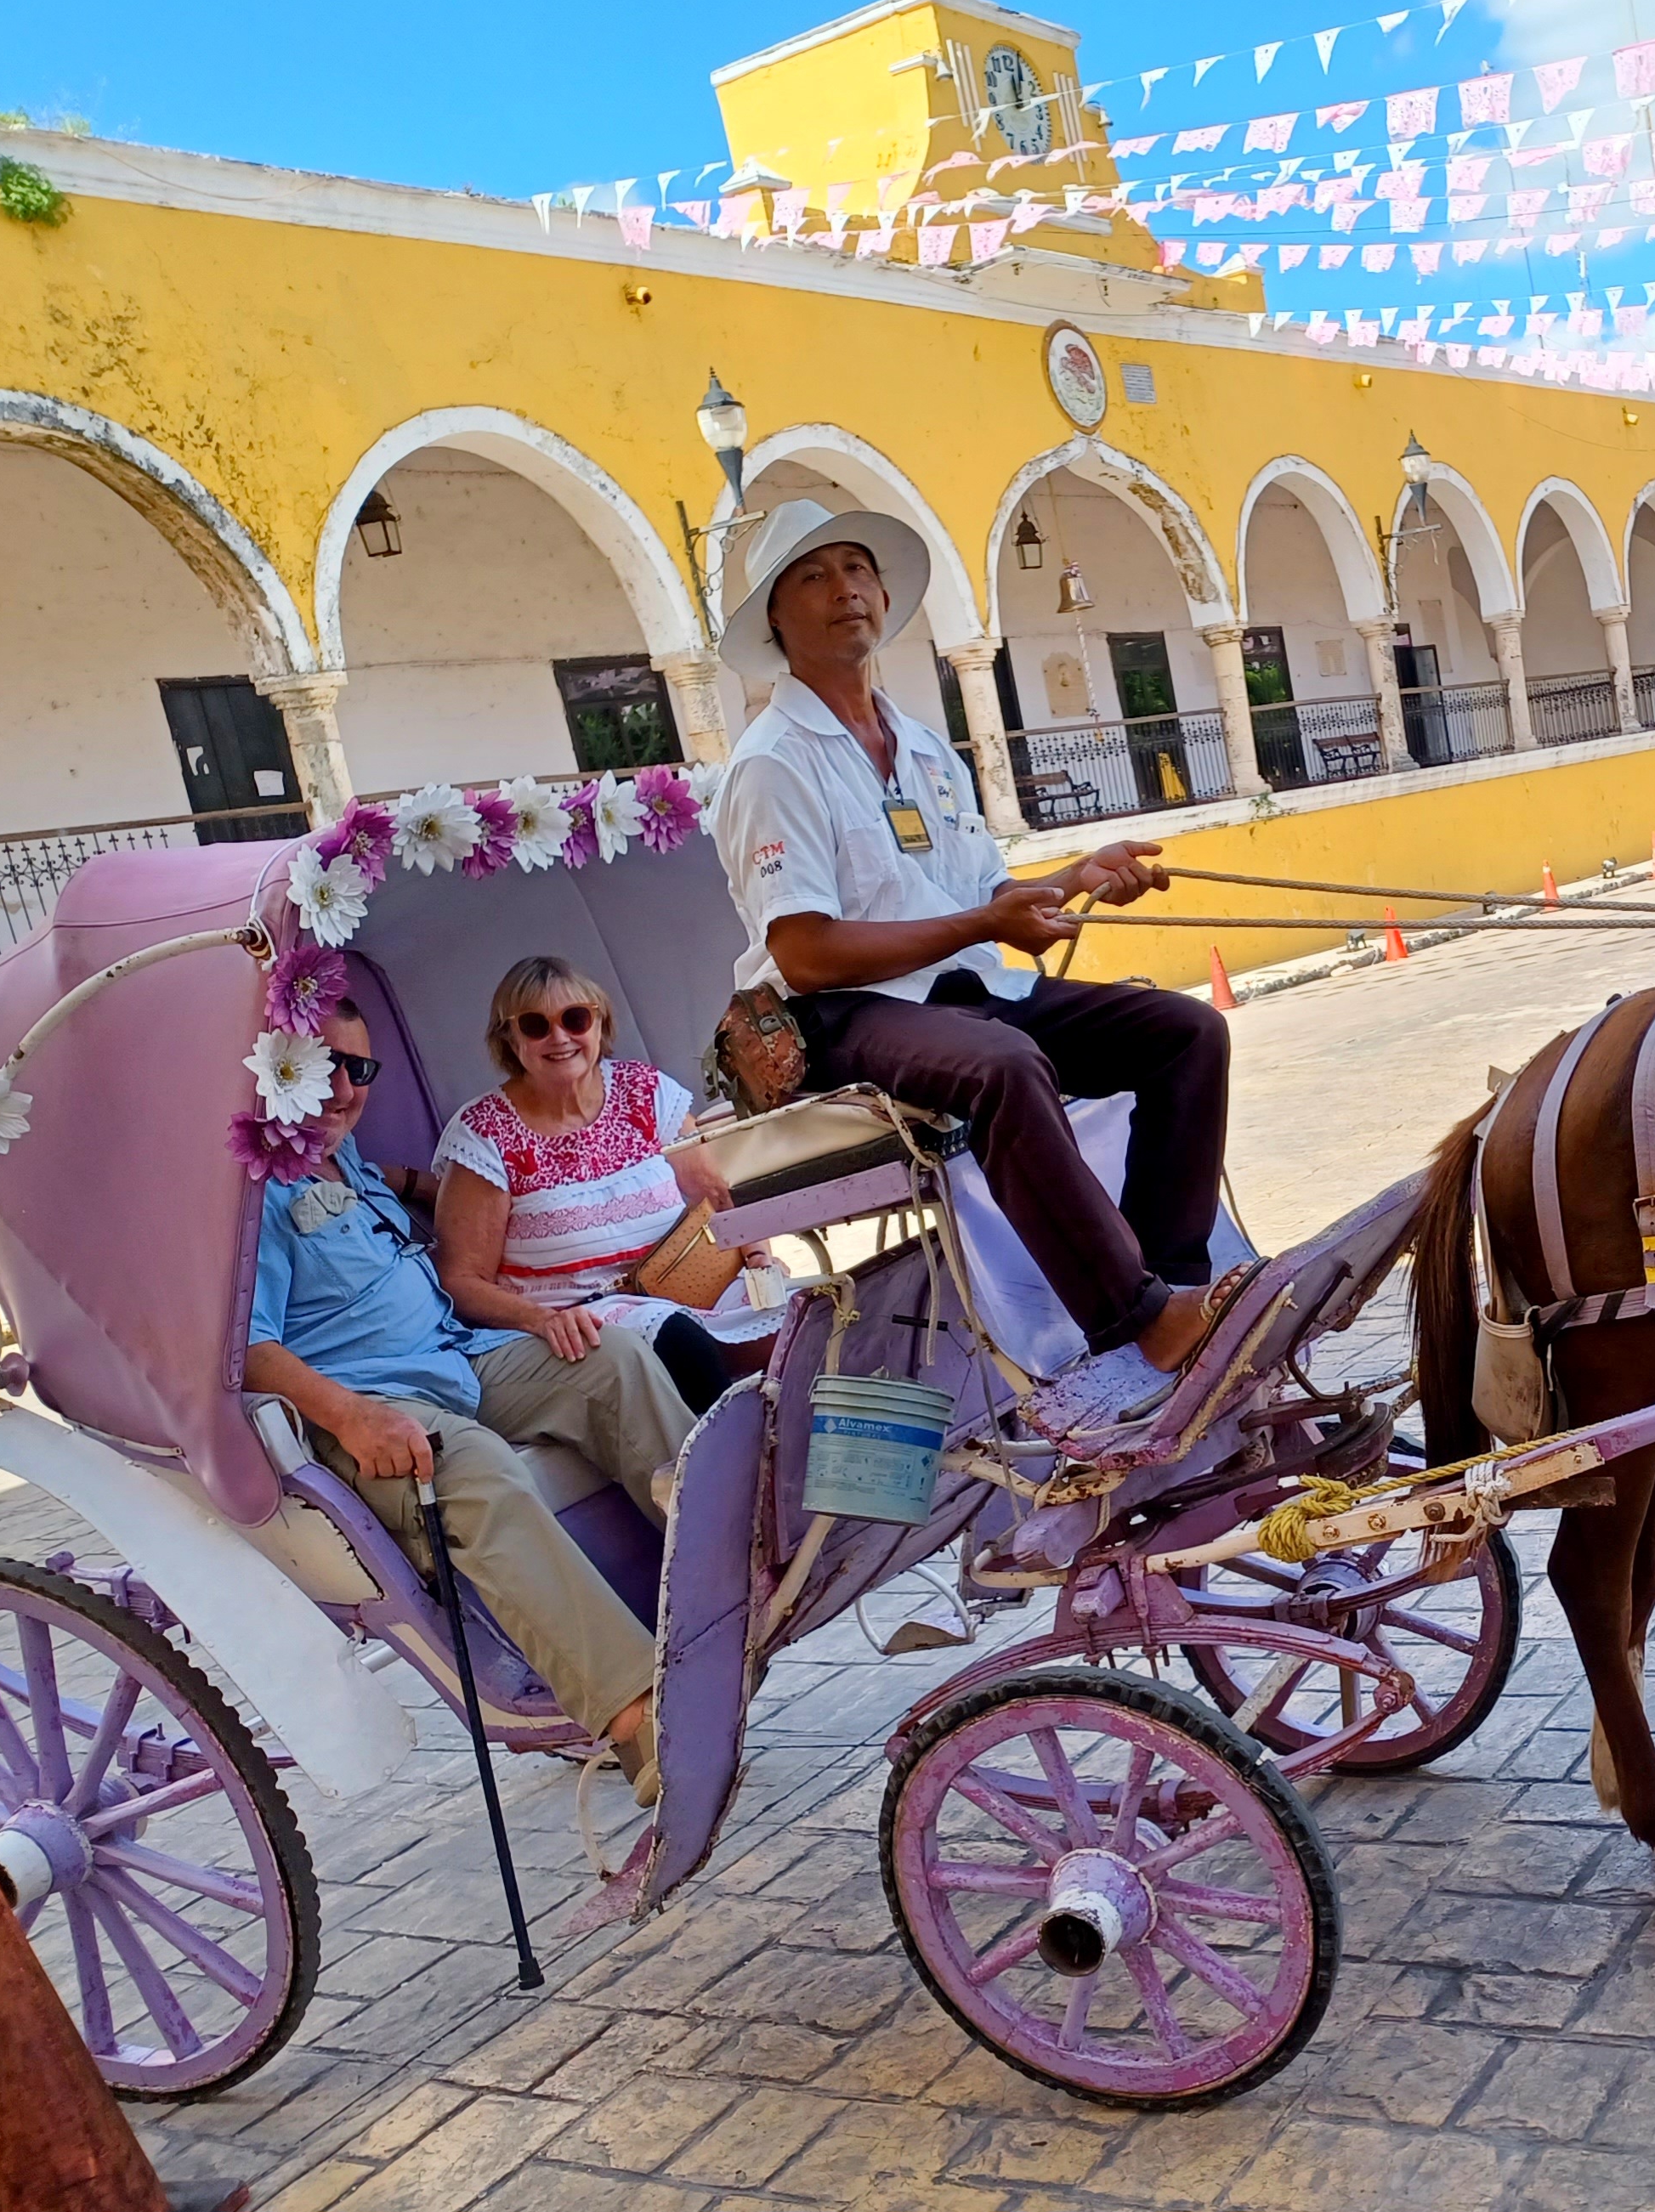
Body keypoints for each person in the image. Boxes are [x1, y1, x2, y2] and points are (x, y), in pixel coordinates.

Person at [710, 499, 1250, 1384]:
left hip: (963, 988)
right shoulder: (774, 761)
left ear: (883, 595)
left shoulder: (924, 748)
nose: (844, 589)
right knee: (1002, 1067)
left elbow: (986, 896)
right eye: (812, 576)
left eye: (856, 568)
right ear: (775, 618)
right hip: (841, 1012)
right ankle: (1137, 1318)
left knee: (1185, 1032)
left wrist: (1079, 876)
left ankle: (1177, 1282)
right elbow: (805, 954)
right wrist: (986, 925)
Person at [243, 999, 690, 1803]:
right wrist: (349, 1416)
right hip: (374, 1402)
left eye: (359, 1068)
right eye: (324, 1066)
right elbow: (247, 1348)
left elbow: (394, 1202)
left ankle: (726, 1568)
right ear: (281, 1071)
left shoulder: (342, 1157)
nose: (344, 1089)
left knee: (613, 1355)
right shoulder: (253, 1194)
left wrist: (433, 1189)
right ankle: (638, 1718)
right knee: (476, 1468)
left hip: (457, 1356)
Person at [432, 956, 774, 1414]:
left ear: (599, 1023)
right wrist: (541, 1320)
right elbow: (461, 1279)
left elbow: (718, 1196)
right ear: (510, 1039)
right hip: (577, 1319)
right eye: (535, 1026)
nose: (559, 1037)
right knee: (679, 1340)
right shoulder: (484, 1133)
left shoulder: (644, 1091)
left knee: (804, 1312)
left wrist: (759, 1257)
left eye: (575, 1019)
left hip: (688, 1285)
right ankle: (738, 1457)